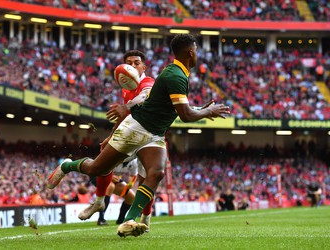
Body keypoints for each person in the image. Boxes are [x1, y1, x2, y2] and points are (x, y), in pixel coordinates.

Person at [47, 34, 230, 237]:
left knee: (156, 173)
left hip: (154, 135)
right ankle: (67, 166)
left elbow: (174, 108)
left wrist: (199, 109)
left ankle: (129, 221)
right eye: (196, 50)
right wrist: (208, 112)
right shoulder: (176, 75)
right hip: (136, 129)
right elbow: (185, 115)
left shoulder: (177, 74)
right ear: (191, 52)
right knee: (97, 168)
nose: (197, 54)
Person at [76, 50, 155, 229]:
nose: (133, 66)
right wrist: (110, 137)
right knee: (105, 162)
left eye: (137, 62)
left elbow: (144, 97)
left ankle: (146, 217)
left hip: (151, 137)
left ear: (144, 66)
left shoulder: (148, 82)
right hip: (132, 135)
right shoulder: (126, 88)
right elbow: (123, 117)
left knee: (146, 181)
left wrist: (125, 107)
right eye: (129, 63)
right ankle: (98, 203)